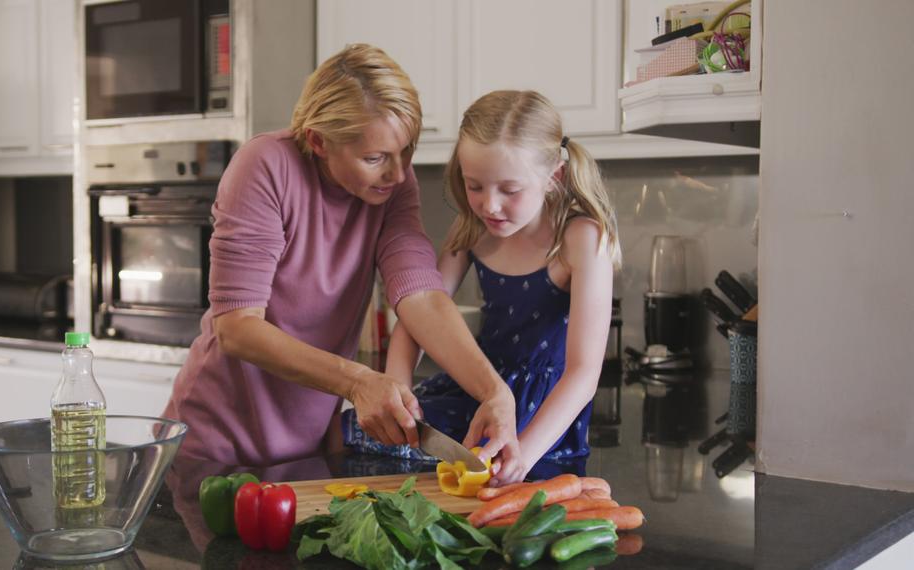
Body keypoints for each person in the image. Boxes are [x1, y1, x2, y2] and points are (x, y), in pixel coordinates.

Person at [163, 44, 521, 475]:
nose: (397, 171)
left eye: (406, 151)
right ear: (318, 141)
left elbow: (420, 292)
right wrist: (357, 381)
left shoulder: (392, 187)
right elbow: (237, 328)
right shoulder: (264, 167)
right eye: (375, 158)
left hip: (304, 450)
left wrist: (495, 394)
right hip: (213, 446)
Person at [344, 90, 621, 484]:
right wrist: (398, 388)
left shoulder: (581, 238)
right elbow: (422, 310)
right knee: (355, 431)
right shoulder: (472, 229)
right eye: (475, 186)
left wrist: (521, 457)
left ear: (553, 176)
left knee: (495, 469)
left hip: (542, 413)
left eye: (509, 190)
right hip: (476, 388)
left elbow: (583, 373)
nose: (489, 206)